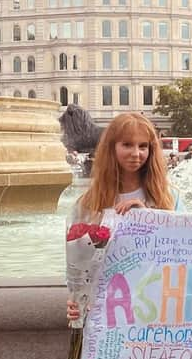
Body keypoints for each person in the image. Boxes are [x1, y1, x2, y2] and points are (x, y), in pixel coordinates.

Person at [66, 112, 184, 321]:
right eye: (127, 145)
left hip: (156, 309)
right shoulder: (87, 204)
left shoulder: (169, 197)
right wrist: (75, 299)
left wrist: (149, 218)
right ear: (111, 148)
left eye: (143, 146)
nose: (136, 153)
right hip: (106, 313)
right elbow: (79, 264)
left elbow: (185, 251)